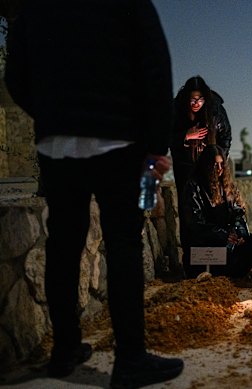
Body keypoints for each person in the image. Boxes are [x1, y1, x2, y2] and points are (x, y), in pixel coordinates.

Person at [4, 1, 184, 387]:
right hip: (119, 139)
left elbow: (15, 76)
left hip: (58, 144)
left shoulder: (38, 8)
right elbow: (156, 68)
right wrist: (156, 145)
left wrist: (53, 113)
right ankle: (130, 358)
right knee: (123, 244)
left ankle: (64, 349)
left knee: (64, 245)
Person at [169, 76, 232, 251]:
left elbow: (226, 135)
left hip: (211, 170)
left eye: (200, 99)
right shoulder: (176, 110)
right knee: (188, 212)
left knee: (215, 209)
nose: (196, 103)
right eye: (193, 99)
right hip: (185, 168)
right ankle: (191, 259)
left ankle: (217, 257)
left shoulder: (215, 110)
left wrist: (219, 158)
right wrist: (186, 135)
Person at [180, 145, 252, 278]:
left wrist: (241, 235)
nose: (219, 169)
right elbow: (195, 224)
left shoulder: (227, 186)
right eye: (215, 165)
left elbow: (238, 214)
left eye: (221, 164)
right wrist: (223, 236)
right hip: (205, 246)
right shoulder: (193, 187)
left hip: (226, 243)